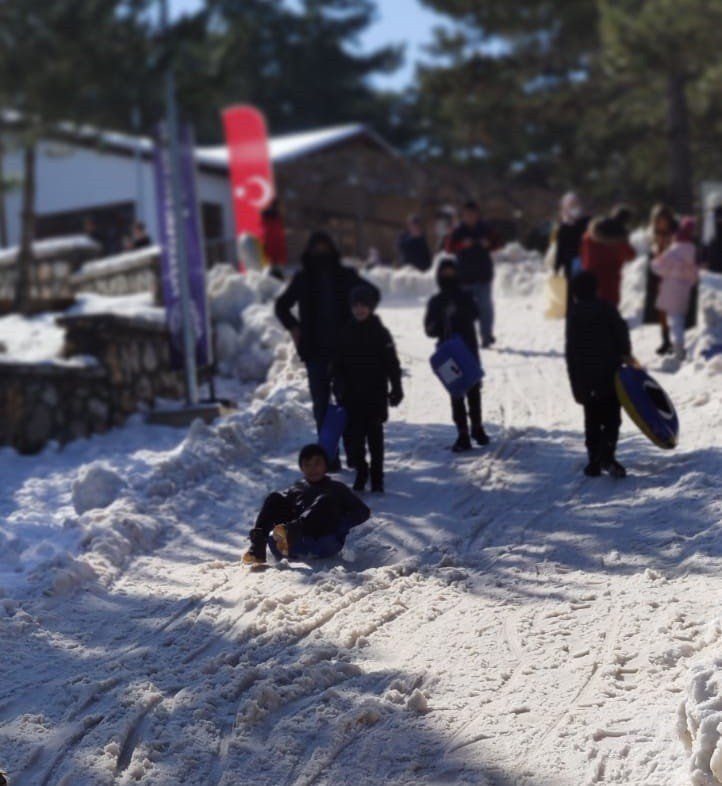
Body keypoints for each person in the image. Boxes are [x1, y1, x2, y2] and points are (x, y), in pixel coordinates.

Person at [275, 231, 380, 467]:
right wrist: (294, 327)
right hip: (314, 351)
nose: (321, 254)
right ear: (309, 252)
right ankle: (328, 457)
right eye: (317, 249)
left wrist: (361, 320)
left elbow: (373, 294)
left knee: (349, 403)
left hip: (346, 352)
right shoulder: (303, 278)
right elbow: (282, 306)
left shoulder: (346, 276)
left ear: (333, 251)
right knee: (322, 406)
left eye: (325, 249)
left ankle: (354, 454)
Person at [242, 444, 371, 565]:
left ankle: (291, 531)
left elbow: (363, 512)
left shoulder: (337, 488)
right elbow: (277, 507)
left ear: (326, 465)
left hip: (324, 540)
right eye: (307, 464)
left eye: (317, 463)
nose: (312, 469)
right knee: (274, 498)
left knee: (325, 500)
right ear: (302, 467)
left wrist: (343, 522)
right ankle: (258, 545)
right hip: (291, 544)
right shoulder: (297, 488)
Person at [333, 284, 404, 494]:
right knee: (354, 439)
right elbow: (336, 365)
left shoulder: (380, 333)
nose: (359, 309)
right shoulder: (344, 332)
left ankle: (377, 476)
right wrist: (338, 387)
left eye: (363, 305)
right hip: (351, 395)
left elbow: (392, 363)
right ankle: (361, 470)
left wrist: (396, 387)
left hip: (375, 394)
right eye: (355, 305)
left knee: (375, 438)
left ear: (371, 307)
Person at [566, 271, 635, 479]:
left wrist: (575, 383)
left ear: (575, 293)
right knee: (612, 418)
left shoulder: (574, 315)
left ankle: (593, 460)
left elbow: (572, 352)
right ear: (596, 289)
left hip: (586, 377)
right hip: (610, 374)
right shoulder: (607, 309)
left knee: (592, 419)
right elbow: (621, 335)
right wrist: (626, 355)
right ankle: (607, 455)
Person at [424, 258, 489, 452]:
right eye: (445, 273)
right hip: (447, 352)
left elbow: (476, 314)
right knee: (456, 391)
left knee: (474, 389)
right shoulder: (436, 301)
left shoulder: (466, 296)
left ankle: (477, 426)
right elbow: (429, 329)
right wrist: (438, 321)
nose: (449, 277)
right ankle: (462, 432)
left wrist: (458, 312)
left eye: (452, 272)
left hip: (468, 348)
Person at [445, 201, 500, 348]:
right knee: (463, 311)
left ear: (477, 214)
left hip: (483, 276)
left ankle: (486, 336)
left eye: (472, 214)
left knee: (485, 308)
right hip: (464, 277)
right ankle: (464, 337)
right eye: (466, 215)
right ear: (463, 216)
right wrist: (462, 245)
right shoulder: (458, 231)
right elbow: (449, 248)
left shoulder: (486, 228)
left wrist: (488, 244)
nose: (469, 217)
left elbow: (498, 243)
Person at [651, 217, 699, 361]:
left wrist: (655, 260)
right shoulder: (692, 250)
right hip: (684, 289)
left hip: (670, 287)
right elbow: (694, 274)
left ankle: (679, 349)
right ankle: (679, 346)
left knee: (674, 320)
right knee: (679, 318)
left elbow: (658, 268)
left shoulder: (674, 250)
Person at [580, 208, 636, 308]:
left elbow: (584, 256)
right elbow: (630, 255)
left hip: (591, 279)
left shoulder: (590, 234)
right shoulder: (619, 239)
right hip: (611, 282)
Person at [644, 205, 679, 355]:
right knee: (661, 309)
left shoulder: (676, 234)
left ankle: (677, 340)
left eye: (662, 220)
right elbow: (653, 252)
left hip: (674, 275)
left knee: (675, 309)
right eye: (657, 221)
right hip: (659, 275)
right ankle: (666, 340)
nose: (659, 224)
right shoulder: (655, 234)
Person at [552, 192, 590, 311]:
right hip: (571, 262)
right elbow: (560, 248)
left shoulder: (587, 223)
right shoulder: (563, 227)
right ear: (565, 208)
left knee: (586, 287)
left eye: (576, 204)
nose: (574, 208)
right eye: (571, 205)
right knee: (570, 289)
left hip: (586, 260)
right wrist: (557, 266)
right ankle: (572, 311)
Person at [261, 198, 288, 279]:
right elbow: (277, 236)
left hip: (270, 248)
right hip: (276, 249)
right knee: (276, 273)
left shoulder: (267, 217)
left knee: (272, 269)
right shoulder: (276, 218)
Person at [702, 203, 722, 273]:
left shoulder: (711, 215)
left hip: (714, 251)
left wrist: (704, 257)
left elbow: (707, 237)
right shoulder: (711, 215)